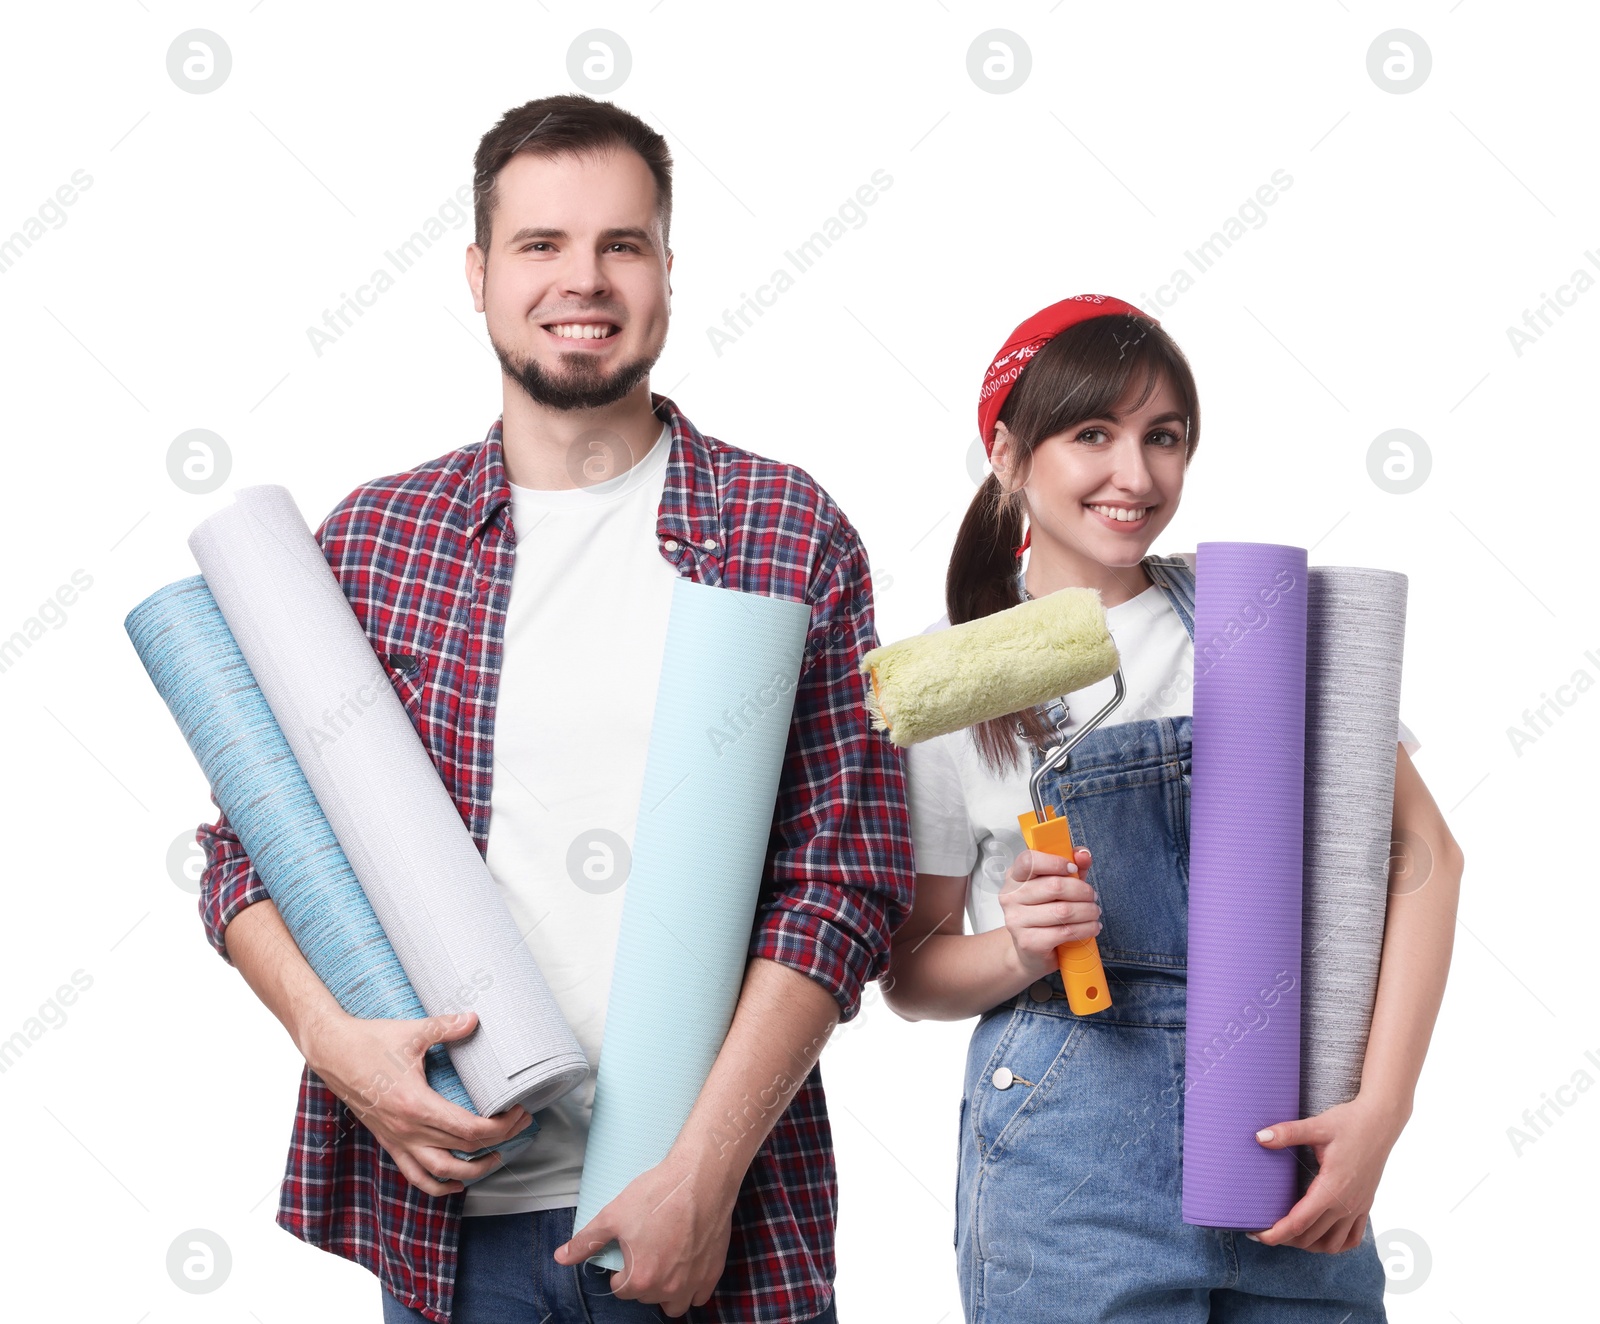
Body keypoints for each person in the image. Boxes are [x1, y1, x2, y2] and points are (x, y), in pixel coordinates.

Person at [194, 93, 912, 1323]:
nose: (583, 279)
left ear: (669, 275)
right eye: (540, 245)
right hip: (452, 1226)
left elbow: (844, 885)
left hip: (713, 1211)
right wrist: (330, 1039)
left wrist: (700, 1170)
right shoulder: (373, 544)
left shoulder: (784, 530)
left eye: (621, 245)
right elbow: (245, 847)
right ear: (478, 275)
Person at [880, 294, 1463, 1320]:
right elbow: (914, 975)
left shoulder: (1255, 618)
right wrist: (1017, 945)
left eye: (1164, 438)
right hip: (1071, 1169)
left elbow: (1423, 857)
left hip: (1289, 1140)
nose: (1136, 476)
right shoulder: (953, 676)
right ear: (1009, 455)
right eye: (1091, 434)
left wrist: (1380, 1111)